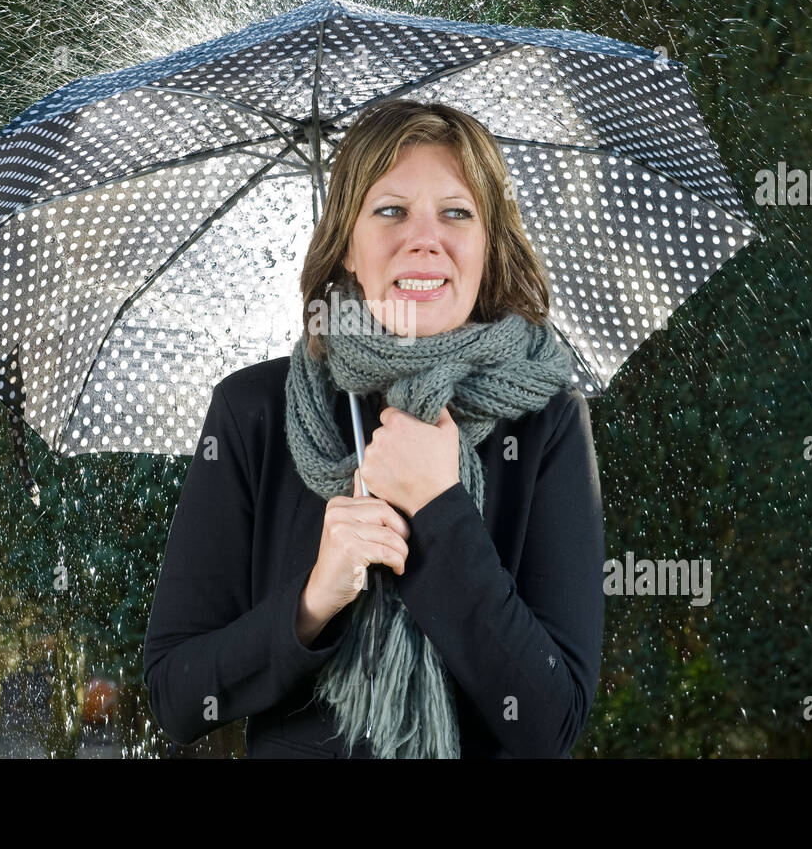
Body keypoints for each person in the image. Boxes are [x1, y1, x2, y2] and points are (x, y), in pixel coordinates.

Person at [142, 99, 605, 758]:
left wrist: (441, 509)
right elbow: (175, 694)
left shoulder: (545, 420)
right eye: (390, 210)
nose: (424, 238)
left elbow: (550, 720)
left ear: (486, 246)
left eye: (456, 212)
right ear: (347, 245)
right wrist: (311, 601)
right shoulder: (253, 412)